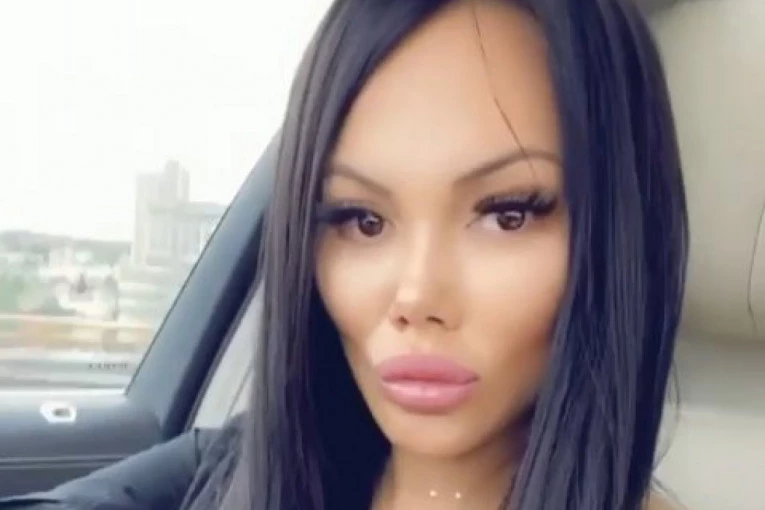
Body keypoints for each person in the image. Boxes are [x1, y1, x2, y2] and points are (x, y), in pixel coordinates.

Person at [0, 0, 688, 509]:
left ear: (615, 234)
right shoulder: (229, 468)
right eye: (362, 220)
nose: (415, 295)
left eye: (507, 215)